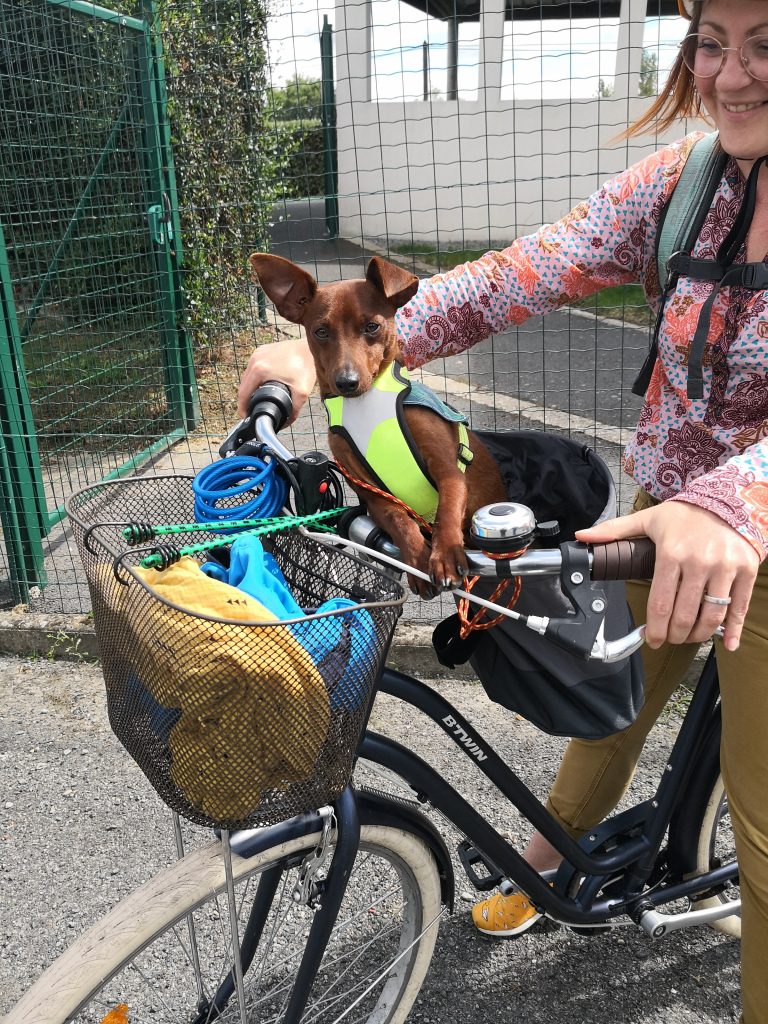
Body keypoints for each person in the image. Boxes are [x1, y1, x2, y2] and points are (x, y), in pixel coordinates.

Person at [239, 1, 768, 1018]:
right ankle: (548, 865)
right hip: (653, 517)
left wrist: (739, 497)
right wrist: (331, 360)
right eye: (711, 43)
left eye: (764, 45)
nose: (730, 74)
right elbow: (521, 274)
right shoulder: (685, 183)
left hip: (755, 539)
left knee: (766, 822)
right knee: (602, 696)